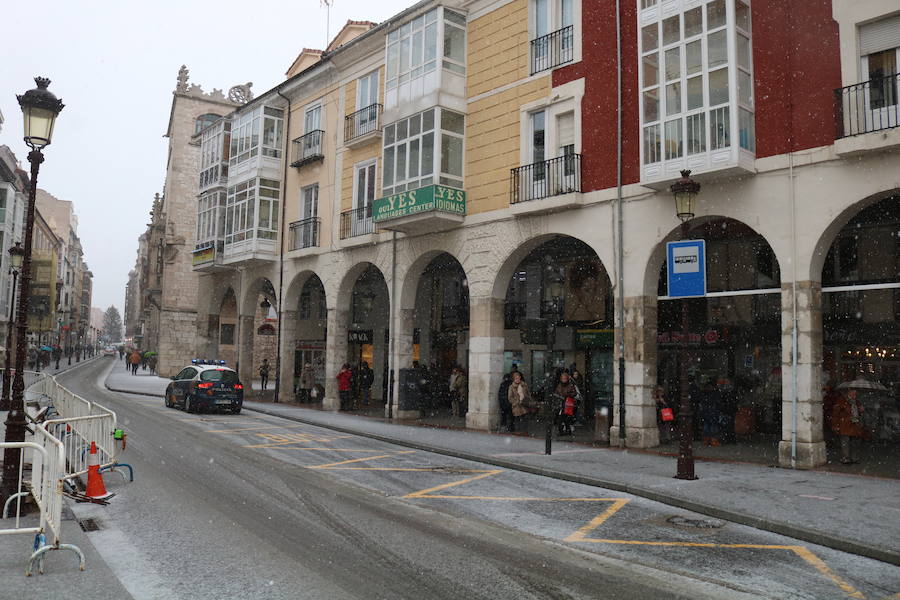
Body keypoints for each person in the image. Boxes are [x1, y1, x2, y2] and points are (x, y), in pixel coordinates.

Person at [830, 386, 867, 464]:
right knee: (845, 441)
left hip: (855, 424)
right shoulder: (842, 400)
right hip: (845, 424)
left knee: (855, 442)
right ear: (849, 392)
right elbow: (835, 413)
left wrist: (861, 410)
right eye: (853, 393)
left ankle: (854, 458)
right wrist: (835, 425)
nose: (855, 395)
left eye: (856, 393)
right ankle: (845, 458)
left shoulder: (857, 402)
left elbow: (859, 412)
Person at [551, 370, 580, 436]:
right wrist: (558, 396)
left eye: (565, 378)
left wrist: (568, 395)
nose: (563, 380)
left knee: (564, 419)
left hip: (567, 404)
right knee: (562, 419)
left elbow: (574, 393)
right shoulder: (559, 385)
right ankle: (565, 431)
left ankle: (564, 431)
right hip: (561, 404)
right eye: (562, 378)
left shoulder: (570, 385)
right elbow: (556, 392)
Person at [699, 377, 723, 446]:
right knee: (713, 426)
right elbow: (718, 402)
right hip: (712, 411)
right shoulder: (715, 393)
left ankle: (706, 440)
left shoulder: (705, 393)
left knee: (707, 426)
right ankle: (713, 440)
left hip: (707, 411)